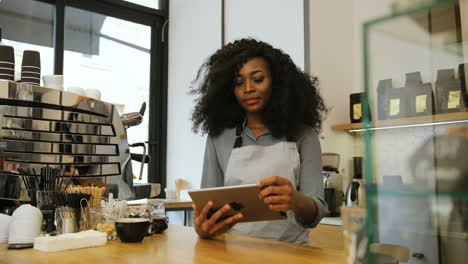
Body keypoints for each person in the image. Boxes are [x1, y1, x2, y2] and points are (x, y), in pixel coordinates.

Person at [190, 38, 328, 245]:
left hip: (291, 254)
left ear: (277, 82)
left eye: (258, 79)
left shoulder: (303, 135)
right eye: (238, 82)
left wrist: (295, 200)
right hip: (233, 255)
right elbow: (208, 209)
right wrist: (203, 228)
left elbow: (315, 214)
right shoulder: (218, 137)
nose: (248, 89)